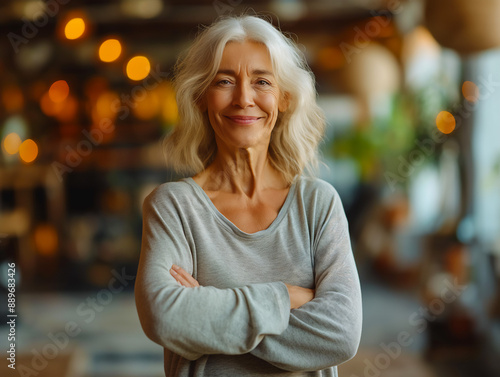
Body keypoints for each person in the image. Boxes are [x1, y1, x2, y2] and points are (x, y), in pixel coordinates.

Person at [135, 14, 362, 377]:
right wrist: (288, 297)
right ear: (201, 97)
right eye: (225, 81)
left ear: (284, 98)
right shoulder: (173, 207)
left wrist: (208, 312)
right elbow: (165, 318)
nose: (244, 98)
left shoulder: (319, 204)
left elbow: (341, 334)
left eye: (262, 82)